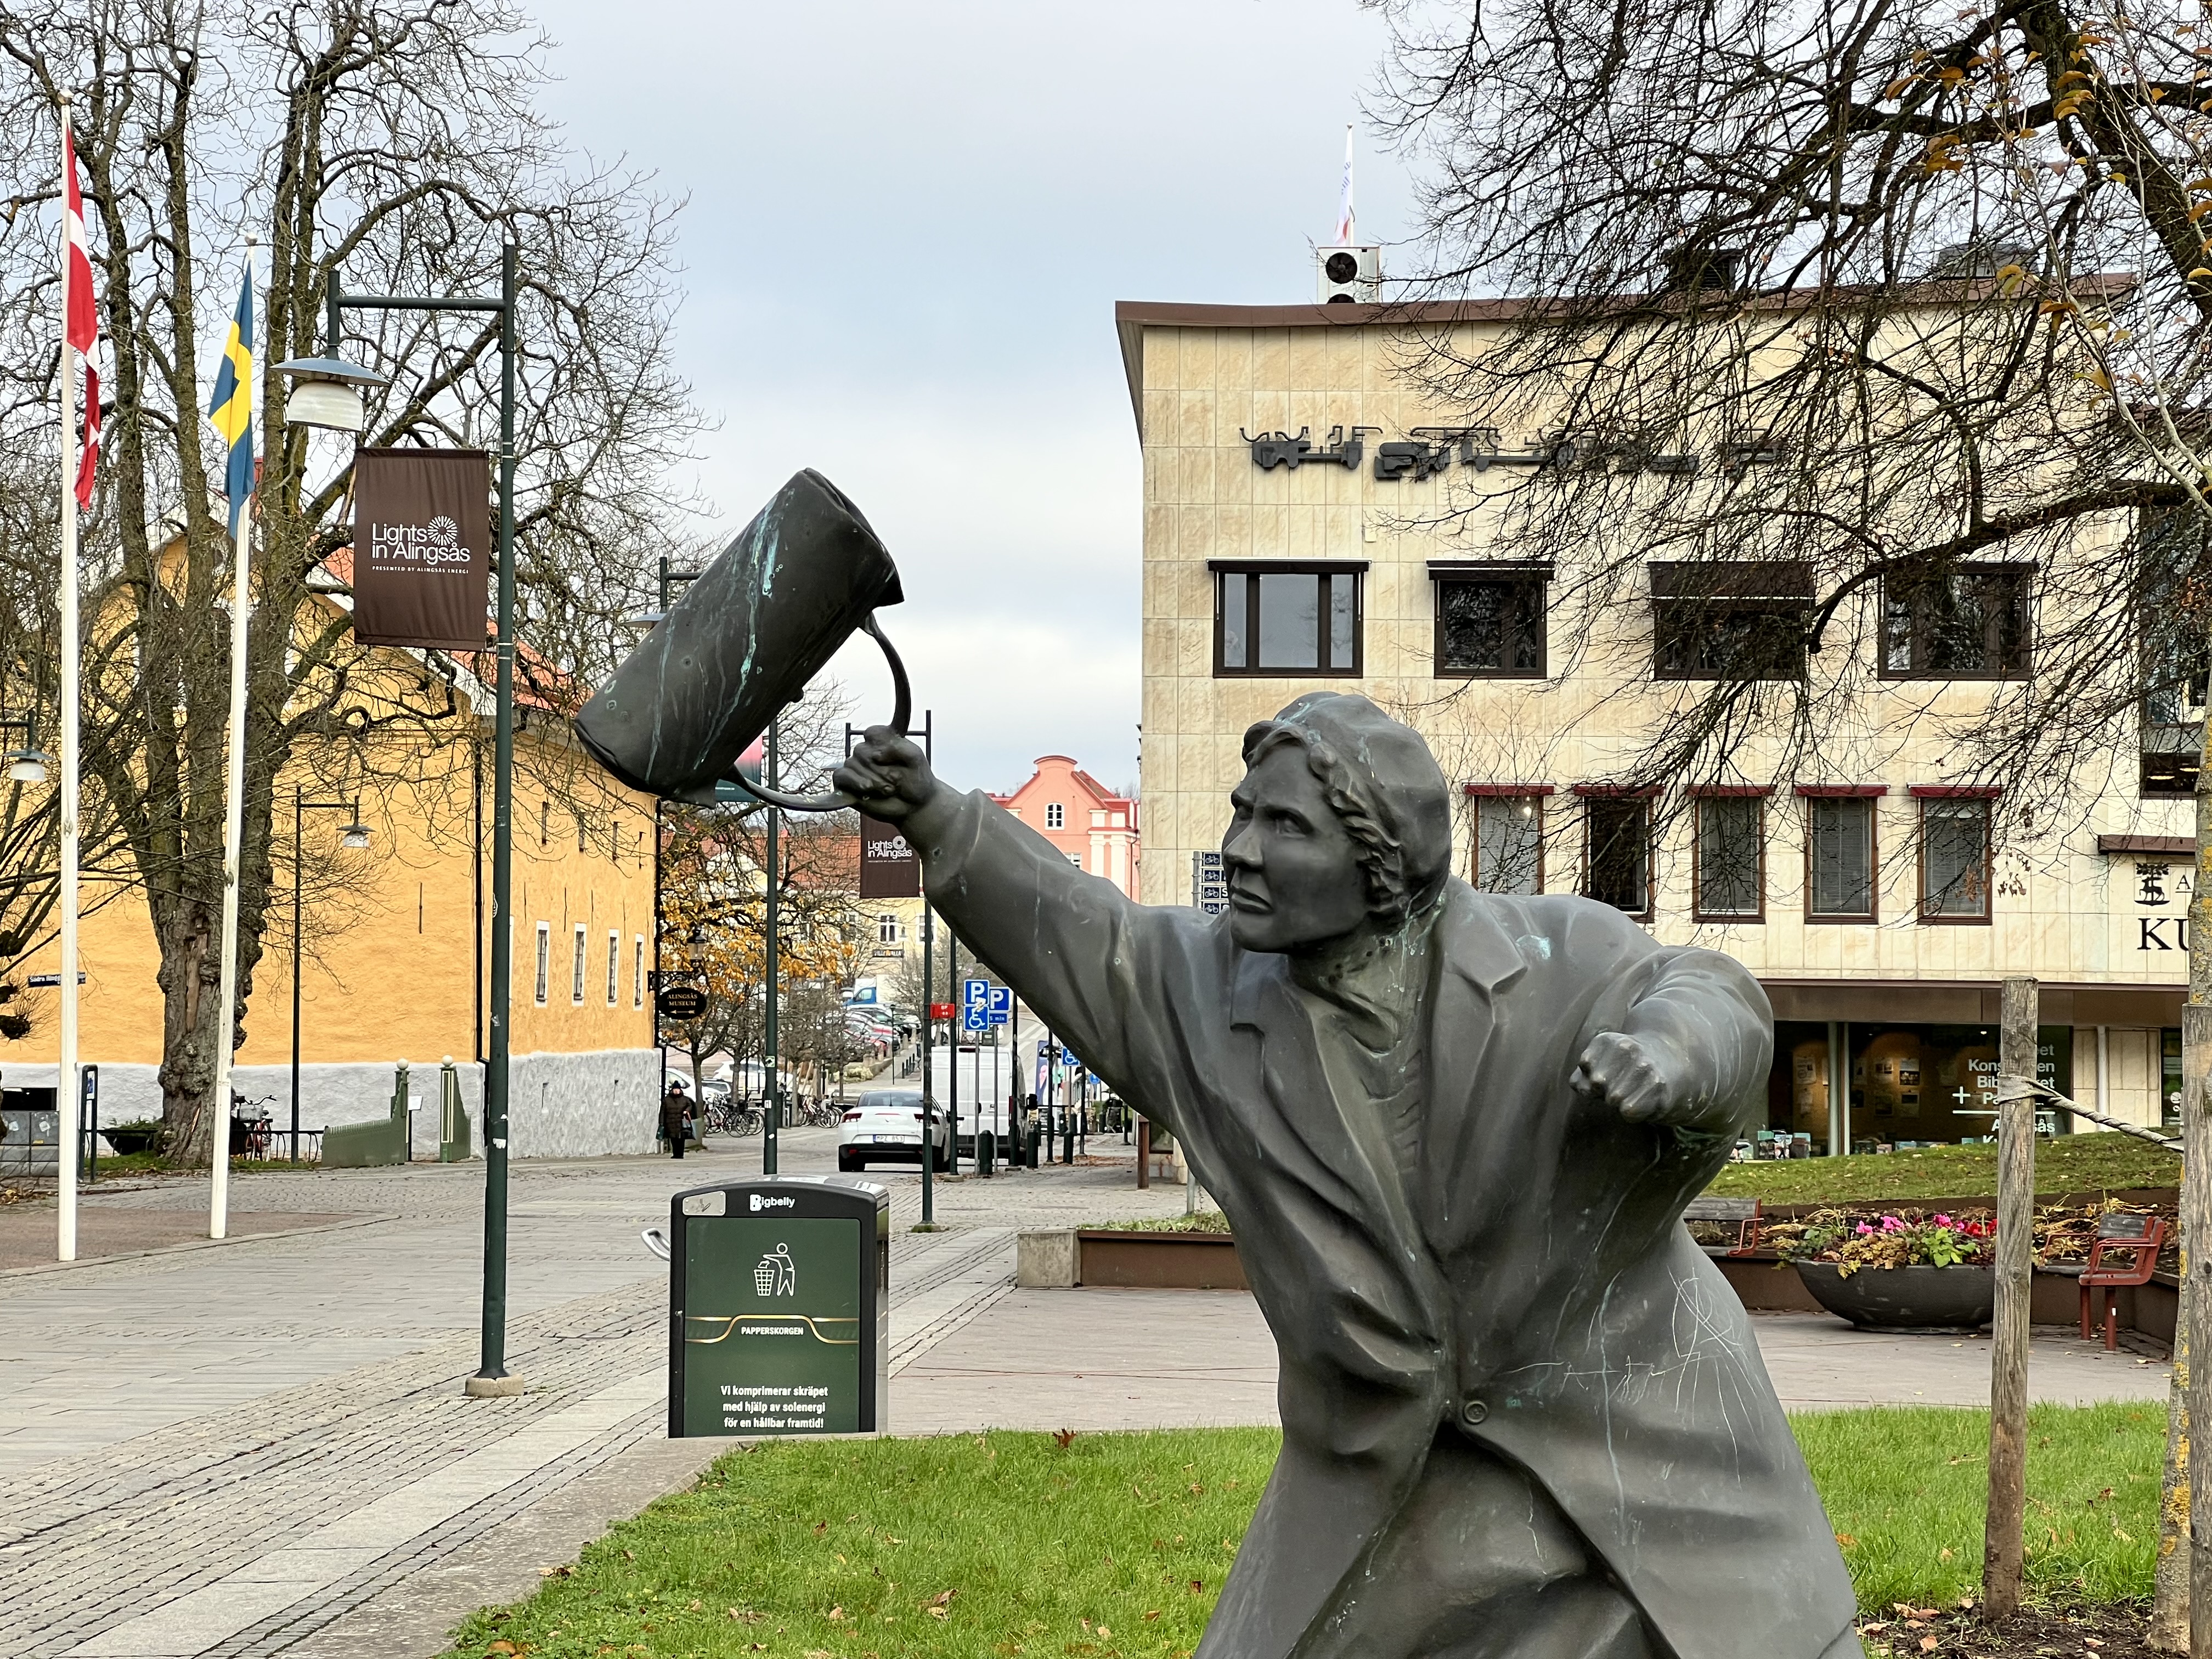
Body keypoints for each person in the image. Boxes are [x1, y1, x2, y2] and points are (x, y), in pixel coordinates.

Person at [837, 692, 1860, 1659]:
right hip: (1380, 1478)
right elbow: (1075, 926)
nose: (1238, 850)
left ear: (1382, 863)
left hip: (1642, 1451)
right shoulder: (1198, 988)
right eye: (1242, 816)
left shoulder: (1557, 955)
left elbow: (1711, 989)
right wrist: (935, 814)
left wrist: (1673, 1053)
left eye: (1282, 827)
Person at [659, 1077, 690, 1160]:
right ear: (672, 1090)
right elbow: (662, 1111)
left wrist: (686, 1111)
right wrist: (661, 1122)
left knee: (681, 1139)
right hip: (670, 1122)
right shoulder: (667, 1100)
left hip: (681, 1122)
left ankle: (681, 1154)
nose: (676, 1091)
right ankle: (676, 1154)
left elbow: (690, 1106)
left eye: (678, 1089)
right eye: (675, 1089)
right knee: (674, 1139)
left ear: (680, 1090)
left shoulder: (685, 1099)